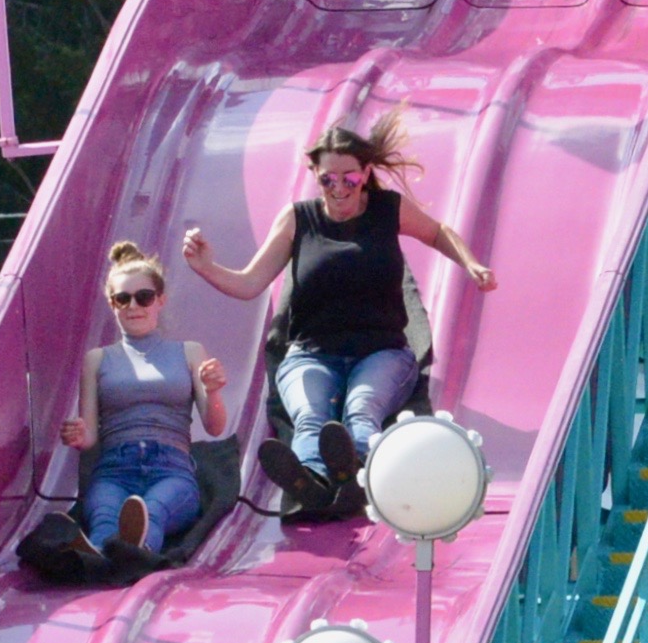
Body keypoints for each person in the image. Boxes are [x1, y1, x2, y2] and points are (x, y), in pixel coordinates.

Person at [181, 110, 495, 521]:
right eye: (328, 178)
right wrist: (207, 267)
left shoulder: (387, 209)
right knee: (311, 415)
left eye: (349, 177)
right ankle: (312, 478)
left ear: (366, 173)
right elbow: (249, 283)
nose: (339, 188)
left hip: (381, 351)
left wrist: (470, 263)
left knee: (361, 407)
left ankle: (356, 468)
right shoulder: (299, 219)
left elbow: (438, 232)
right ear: (315, 175)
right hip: (312, 354)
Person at [48, 242, 227, 573]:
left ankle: (123, 557)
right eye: (122, 298)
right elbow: (89, 438)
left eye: (143, 297)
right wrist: (77, 434)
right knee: (105, 518)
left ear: (160, 300)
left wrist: (213, 391)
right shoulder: (97, 359)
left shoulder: (189, 352)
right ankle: (105, 557)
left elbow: (215, 426)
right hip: (115, 469)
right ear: (112, 305)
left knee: (152, 511)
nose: (134, 306)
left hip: (171, 469)